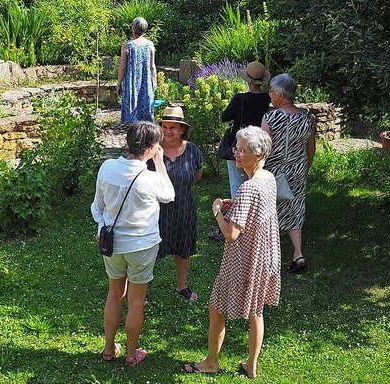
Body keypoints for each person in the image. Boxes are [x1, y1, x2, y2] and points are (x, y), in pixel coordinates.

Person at [183, 126, 281, 379]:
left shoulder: (248, 188)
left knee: (216, 307)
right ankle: (251, 365)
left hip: (243, 259)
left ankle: (211, 362)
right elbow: (257, 210)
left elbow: (231, 234)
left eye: (243, 150)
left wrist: (217, 209)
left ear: (258, 154)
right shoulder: (267, 178)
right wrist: (237, 205)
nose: (236, 153)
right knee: (256, 311)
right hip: (264, 257)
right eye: (236, 148)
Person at [91, 121, 174, 367]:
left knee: (114, 295)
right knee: (135, 302)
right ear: (150, 147)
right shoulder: (149, 179)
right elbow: (169, 195)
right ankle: (130, 354)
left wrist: (101, 228)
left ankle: (108, 348)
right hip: (142, 247)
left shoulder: (107, 167)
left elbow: (98, 207)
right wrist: (159, 162)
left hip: (112, 244)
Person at [209, 62, 271, 242]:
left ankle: (236, 225)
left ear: (248, 80)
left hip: (241, 145)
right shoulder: (267, 99)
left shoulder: (240, 98)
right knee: (255, 182)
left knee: (237, 185)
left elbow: (224, 117)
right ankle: (253, 220)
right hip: (259, 146)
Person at [147, 106, 203, 301]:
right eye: (165, 126)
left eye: (173, 127)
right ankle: (142, 288)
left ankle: (182, 286)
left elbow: (196, 176)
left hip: (184, 207)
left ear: (182, 130)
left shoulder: (193, 151)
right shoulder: (151, 149)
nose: (168, 131)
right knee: (149, 249)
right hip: (155, 209)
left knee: (183, 248)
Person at [261, 73, 316, 273]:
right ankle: (298, 254)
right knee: (295, 210)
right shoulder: (307, 118)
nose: (270, 94)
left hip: (274, 172)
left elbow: (262, 149)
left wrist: (256, 172)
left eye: (272, 91)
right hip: (298, 171)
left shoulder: (271, 117)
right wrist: (304, 168)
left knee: (270, 211)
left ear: (281, 95)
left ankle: (268, 256)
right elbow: (311, 149)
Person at [117, 17, 157, 123]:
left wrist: (118, 84)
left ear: (132, 28)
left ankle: (133, 134)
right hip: (146, 83)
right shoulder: (150, 45)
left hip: (131, 84)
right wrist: (154, 83)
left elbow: (123, 68)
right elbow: (152, 66)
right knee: (146, 115)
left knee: (131, 115)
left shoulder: (127, 45)